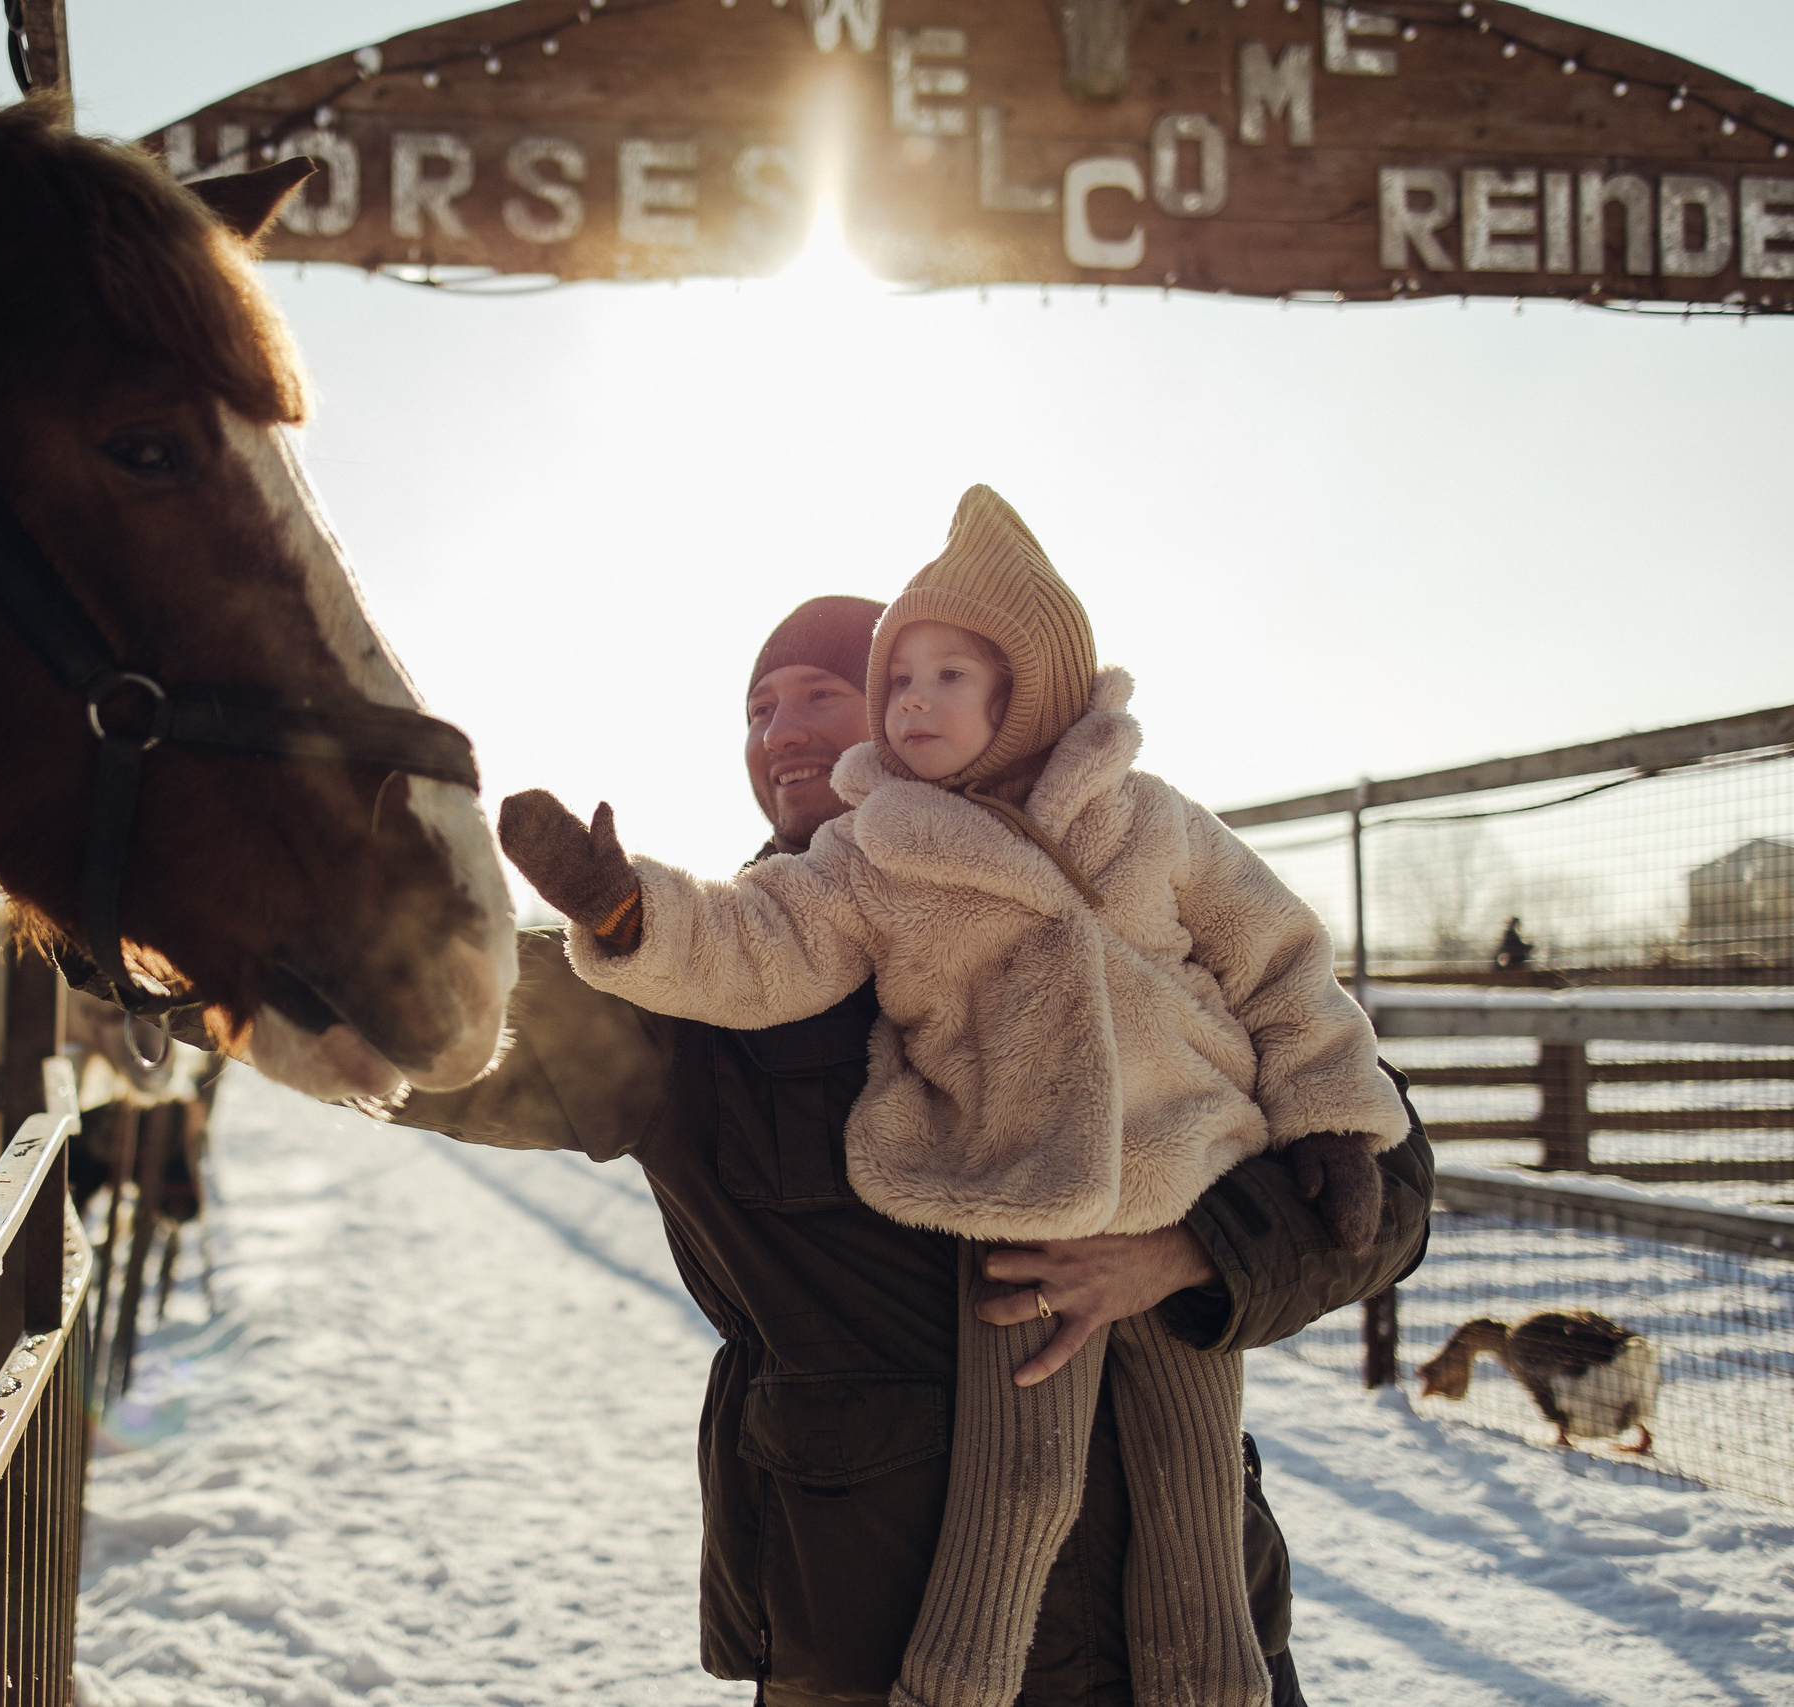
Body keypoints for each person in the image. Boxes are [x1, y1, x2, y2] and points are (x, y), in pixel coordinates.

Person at [392, 580, 1434, 1707]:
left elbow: (1387, 1183)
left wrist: (1192, 1252)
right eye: (757, 708)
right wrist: (200, 974)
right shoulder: (690, 988)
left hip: (1191, 1631)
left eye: (825, 692)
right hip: (870, 1643)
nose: (781, 728)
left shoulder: (1127, 880)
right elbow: (425, 1013)